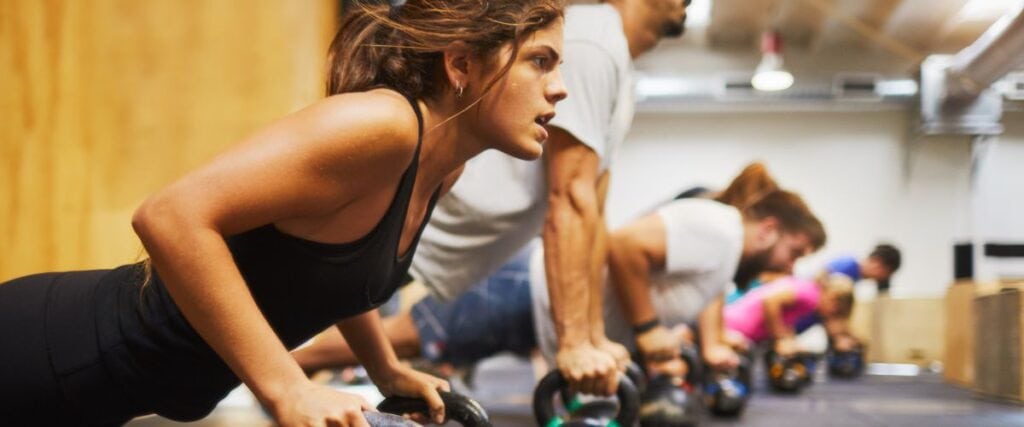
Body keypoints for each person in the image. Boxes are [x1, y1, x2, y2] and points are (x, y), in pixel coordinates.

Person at [0, 1, 568, 425]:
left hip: (108, 389)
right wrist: (286, 387)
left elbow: (340, 273)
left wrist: (385, 368)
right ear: (461, 63)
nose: (560, 89)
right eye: (540, 62)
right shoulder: (383, 126)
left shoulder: (440, 167)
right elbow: (170, 216)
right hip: (57, 353)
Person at [294, 163, 826, 385]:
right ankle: (271, 368)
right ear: (770, 228)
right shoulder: (721, 227)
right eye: (794, 251)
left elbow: (685, 292)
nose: (790, 267)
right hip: (528, 292)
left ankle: (277, 368)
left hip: (541, 309)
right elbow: (625, 246)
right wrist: (646, 331)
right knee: (395, 343)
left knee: (402, 346)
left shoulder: (725, 247)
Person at [395, 0, 688, 396]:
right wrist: (573, 344)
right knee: (308, 340)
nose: (557, 87)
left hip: (447, 247)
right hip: (425, 229)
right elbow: (569, 196)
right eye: (541, 63)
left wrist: (593, 336)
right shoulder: (592, 39)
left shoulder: (611, 53)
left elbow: (594, 211)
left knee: (327, 344)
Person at [724, 274, 856, 356]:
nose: (831, 316)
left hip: (735, 326)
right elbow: (770, 300)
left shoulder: (809, 295)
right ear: (832, 299)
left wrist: (790, 340)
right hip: (735, 327)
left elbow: (786, 323)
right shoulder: (811, 294)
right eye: (836, 312)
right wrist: (780, 338)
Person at [825, 244, 902, 292]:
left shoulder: (856, 275)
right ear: (877, 264)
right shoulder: (848, 266)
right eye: (884, 273)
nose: (881, 279)